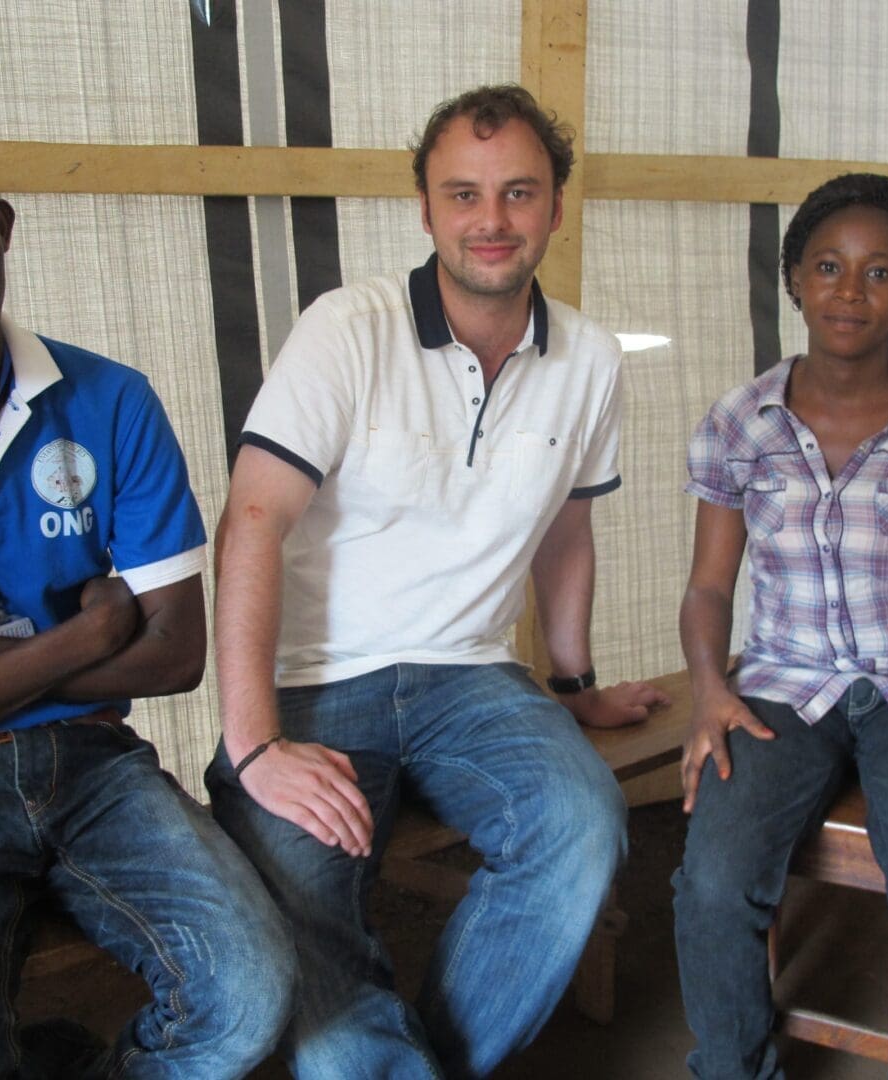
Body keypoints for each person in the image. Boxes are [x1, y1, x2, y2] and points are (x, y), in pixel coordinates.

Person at [0, 113, 294, 1079]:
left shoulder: (111, 399)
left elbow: (174, 656)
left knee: (249, 995)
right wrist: (80, 640)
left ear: (1, 225)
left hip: (93, 763)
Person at [207, 83, 666, 1080]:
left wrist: (577, 687)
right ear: (425, 209)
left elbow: (566, 533)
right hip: (313, 681)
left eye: (518, 192)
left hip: (470, 676)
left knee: (582, 827)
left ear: (555, 206)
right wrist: (255, 746)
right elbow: (251, 522)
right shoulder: (347, 328)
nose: (490, 219)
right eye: (463, 194)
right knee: (305, 914)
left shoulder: (589, 358)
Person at [673, 173, 888, 1080]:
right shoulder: (740, 421)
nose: (850, 291)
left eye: (879, 272)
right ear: (795, 278)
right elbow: (708, 588)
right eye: (828, 266)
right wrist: (708, 691)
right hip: (781, 686)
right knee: (711, 883)